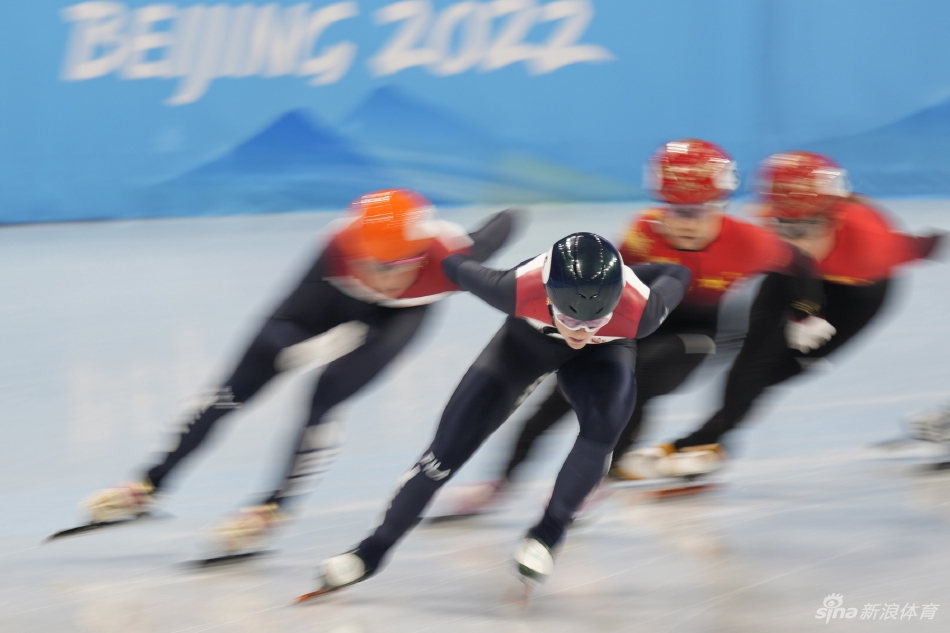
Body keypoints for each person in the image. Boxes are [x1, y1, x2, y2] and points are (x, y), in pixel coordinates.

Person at [80, 189, 518, 552]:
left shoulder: (450, 257)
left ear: (417, 258)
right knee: (232, 390)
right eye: (368, 264)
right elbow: (278, 332)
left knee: (323, 398)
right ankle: (149, 485)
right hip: (328, 303)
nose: (377, 277)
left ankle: (274, 507)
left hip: (394, 322)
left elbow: (506, 221)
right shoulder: (338, 249)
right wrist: (313, 347)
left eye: (389, 268)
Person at [440, 139, 826, 516]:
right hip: (634, 325)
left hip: (696, 336)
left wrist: (805, 314)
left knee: (633, 384)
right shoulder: (644, 232)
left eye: (699, 212)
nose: (687, 224)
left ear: (720, 206)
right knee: (556, 399)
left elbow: (799, 264)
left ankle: (597, 481)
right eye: (676, 211)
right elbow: (603, 281)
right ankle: (500, 484)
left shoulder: (749, 241)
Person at [301, 232, 691, 597]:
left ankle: (547, 534)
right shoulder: (513, 288)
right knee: (443, 456)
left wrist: (627, 276)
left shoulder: (642, 310)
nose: (581, 332)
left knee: (605, 425)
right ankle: (371, 552)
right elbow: (451, 263)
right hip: (524, 347)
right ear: (548, 295)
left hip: (603, 355)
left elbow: (677, 273)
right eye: (571, 319)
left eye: (596, 319)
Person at [631, 151, 944, 478]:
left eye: (808, 227)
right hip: (792, 278)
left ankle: (707, 439)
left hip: (855, 292)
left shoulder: (872, 244)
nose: (798, 239)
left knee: (779, 370)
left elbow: (917, 247)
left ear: (834, 217)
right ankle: (705, 443)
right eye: (785, 226)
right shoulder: (773, 219)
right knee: (752, 358)